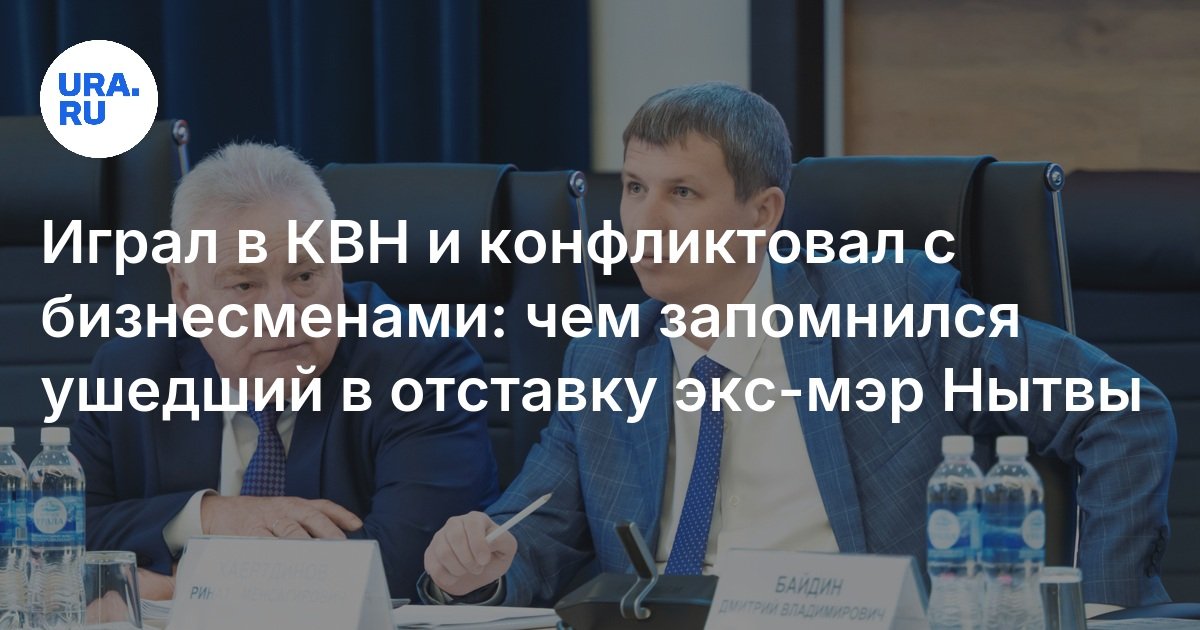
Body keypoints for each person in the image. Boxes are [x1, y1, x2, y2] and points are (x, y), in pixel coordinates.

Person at [421, 82, 1175, 609]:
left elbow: (1121, 409)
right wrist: (472, 567)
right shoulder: (606, 358)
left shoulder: (886, 309)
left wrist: (1101, 611)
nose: (644, 223)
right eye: (635, 188)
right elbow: (531, 537)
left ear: (762, 213)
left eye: (682, 193)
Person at [71, 142, 499, 600]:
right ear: (185, 293)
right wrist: (212, 516)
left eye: (304, 277)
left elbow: (404, 567)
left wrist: (185, 587)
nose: (282, 313)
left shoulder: (422, 367)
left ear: (337, 267)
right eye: (244, 285)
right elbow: (57, 536)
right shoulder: (130, 371)